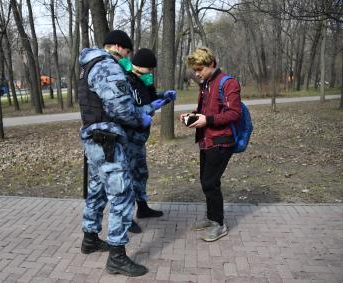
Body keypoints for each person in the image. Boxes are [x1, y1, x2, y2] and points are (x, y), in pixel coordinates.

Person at [78, 30, 169, 277]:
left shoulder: (89, 64)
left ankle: (90, 238)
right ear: (118, 47)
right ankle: (117, 256)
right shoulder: (107, 66)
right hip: (107, 141)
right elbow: (121, 107)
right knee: (122, 195)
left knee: (96, 191)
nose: (127, 58)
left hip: (94, 139)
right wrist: (142, 116)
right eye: (127, 52)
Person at [180, 47, 241, 242]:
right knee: (206, 180)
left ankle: (219, 224)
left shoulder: (228, 83)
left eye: (200, 69)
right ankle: (211, 216)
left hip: (221, 141)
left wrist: (208, 120)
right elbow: (204, 110)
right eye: (195, 70)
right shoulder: (205, 84)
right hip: (205, 140)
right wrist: (191, 115)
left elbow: (234, 113)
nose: (197, 73)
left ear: (211, 64)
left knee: (210, 182)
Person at [119, 48, 176, 233]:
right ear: (140, 66)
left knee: (141, 173)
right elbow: (128, 109)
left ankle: (142, 209)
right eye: (149, 68)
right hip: (128, 137)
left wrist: (163, 97)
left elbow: (150, 99)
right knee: (127, 178)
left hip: (140, 137)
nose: (151, 72)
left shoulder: (143, 80)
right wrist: (150, 107)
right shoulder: (125, 80)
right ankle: (126, 219)